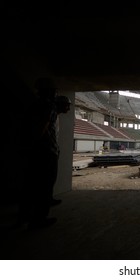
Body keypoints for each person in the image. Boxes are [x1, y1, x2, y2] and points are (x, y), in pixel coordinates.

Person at [17, 78, 70, 229]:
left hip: (36, 152)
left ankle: (25, 214)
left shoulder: (34, 105)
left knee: (31, 185)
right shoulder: (48, 107)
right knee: (45, 185)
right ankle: (39, 219)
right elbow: (41, 129)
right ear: (50, 92)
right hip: (45, 153)